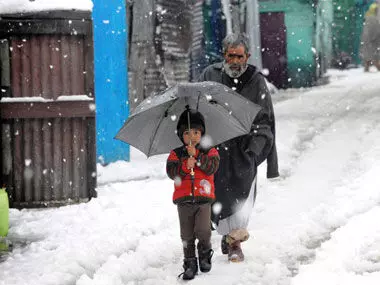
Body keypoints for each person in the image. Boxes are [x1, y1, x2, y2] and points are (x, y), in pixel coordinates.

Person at [198, 33, 279, 262]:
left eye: (239, 56)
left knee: (242, 197)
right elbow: (197, 107)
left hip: (245, 149)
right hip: (216, 146)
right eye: (230, 55)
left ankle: (235, 242)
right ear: (224, 55)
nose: (235, 61)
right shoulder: (210, 76)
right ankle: (227, 237)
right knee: (218, 195)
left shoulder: (256, 81)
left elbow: (265, 120)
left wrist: (253, 150)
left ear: (248, 56)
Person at [166, 109, 220, 280]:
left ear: (202, 133)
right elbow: (171, 172)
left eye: (196, 132)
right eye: (187, 133)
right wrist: (184, 165)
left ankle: (204, 253)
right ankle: (190, 262)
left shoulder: (209, 151)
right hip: (184, 201)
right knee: (187, 234)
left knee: (203, 230)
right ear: (181, 135)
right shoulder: (176, 153)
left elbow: (212, 167)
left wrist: (196, 156)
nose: (192, 137)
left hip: (203, 200)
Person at [360, 3, 380, 72]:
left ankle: (366, 69)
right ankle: (375, 68)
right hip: (372, 40)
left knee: (367, 56)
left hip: (367, 40)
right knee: (374, 57)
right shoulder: (373, 18)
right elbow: (376, 30)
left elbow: (366, 29)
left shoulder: (367, 16)